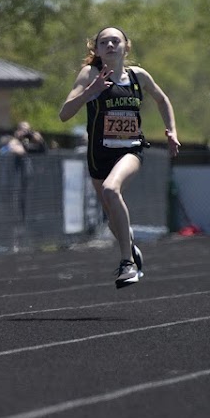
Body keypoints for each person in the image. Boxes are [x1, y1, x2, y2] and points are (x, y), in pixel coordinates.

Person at [58, 25, 181, 288]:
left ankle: (127, 263)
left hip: (130, 150)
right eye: (104, 42)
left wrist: (171, 130)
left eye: (116, 41)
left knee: (111, 190)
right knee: (111, 214)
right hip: (98, 154)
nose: (111, 46)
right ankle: (131, 246)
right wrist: (90, 92)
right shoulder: (89, 74)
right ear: (96, 49)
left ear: (127, 46)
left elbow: (162, 100)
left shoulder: (138, 76)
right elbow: (64, 114)